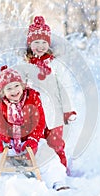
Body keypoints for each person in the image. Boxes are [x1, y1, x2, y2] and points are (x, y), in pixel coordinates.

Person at [0, 65, 70, 191]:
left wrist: (33, 138)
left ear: (22, 85)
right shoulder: (0, 105)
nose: (14, 91)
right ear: (3, 92)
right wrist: (4, 140)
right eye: (9, 88)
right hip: (9, 144)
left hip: (30, 143)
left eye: (16, 86)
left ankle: (57, 181)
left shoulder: (33, 99)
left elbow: (39, 121)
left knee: (47, 154)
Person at [19, 16, 77, 169]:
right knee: (32, 143)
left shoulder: (56, 65)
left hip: (53, 113)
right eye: (36, 42)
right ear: (30, 44)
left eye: (44, 42)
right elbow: (18, 88)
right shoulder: (25, 66)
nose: (40, 46)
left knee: (55, 143)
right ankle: (34, 170)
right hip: (32, 115)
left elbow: (66, 87)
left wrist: (68, 110)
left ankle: (61, 173)